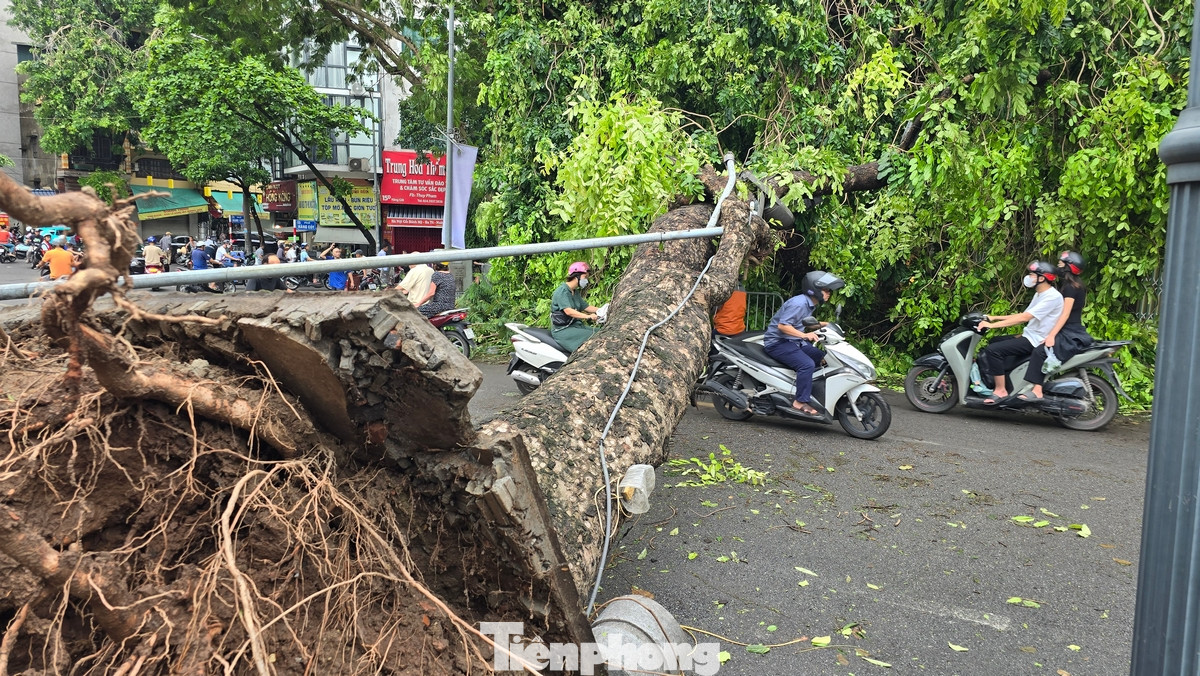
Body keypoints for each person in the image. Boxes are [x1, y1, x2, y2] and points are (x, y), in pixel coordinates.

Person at [976, 261, 1065, 404]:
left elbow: (1024, 318)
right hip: (1030, 335)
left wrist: (992, 326)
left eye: (1031, 274)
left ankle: (1000, 390)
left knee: (993, 351)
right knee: (995, 341)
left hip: (1036, 340)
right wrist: (993, 317)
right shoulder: (1040, 294)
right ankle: (1008, 380)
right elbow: (1023, 314)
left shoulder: (1051, 297)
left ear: (1041, 278)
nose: (1028, 277)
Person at [762, 270, 845, 416]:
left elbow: (805, 323)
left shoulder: (810, 304)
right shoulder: (799, 303)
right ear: (815, 289)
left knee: (824, 358)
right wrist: (804, 335)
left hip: (794, 341)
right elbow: (783, 326)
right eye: (826, 290)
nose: (829, 293)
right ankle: (799, 401)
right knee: (806, 364)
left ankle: (810, 390)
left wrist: (826, 325)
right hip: (777, 342)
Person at [1020, 251, 1094, 402]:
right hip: (1071, 329)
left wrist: (1052, 335)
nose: (1058, 265)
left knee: (1040, 352)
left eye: (1061, 263)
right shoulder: (1074, 285)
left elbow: (1065, 314)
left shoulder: (1070, 288)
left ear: (1069, 267)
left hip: (1069, 331)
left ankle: (1037, 390)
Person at [549, 261, 601, 352]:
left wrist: (603, 310)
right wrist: (588, 316)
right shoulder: (562, 291)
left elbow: (586, 307)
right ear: (576, 277)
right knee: (594, 338)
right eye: (585, 277)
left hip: (575, 326)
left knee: (601, 332)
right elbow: (568, 311)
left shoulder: (574, 292)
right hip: (563, 330)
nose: (586, 280)